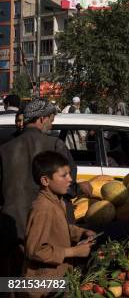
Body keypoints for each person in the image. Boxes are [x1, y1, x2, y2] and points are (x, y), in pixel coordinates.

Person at [0, 99, 81, 277]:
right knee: (52, 286)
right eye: (51, 119)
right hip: (50, 235)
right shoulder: (55, 145)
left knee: (14, 286)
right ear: (42, 119)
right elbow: (70, 189)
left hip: (13, 232)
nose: (52, 124)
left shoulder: (4, 150)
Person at [24, 151, 95, 282]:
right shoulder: (42, 208)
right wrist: (73, 252)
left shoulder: (56, 201)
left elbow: (59, 228)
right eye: (64, 175)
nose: (70, 179)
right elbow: (34, 250)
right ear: (45, 180)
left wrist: (81, 232)